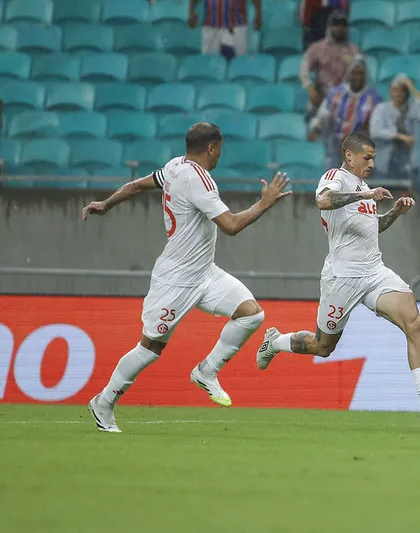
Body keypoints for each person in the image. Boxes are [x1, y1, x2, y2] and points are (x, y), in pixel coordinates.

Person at [82, 122, 291, 433]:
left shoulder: (175, 166)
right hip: (176, 279)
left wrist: (106, 203)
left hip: (204, 272)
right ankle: (103, 403)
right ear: (210, 148)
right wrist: (264, 203)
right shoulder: (200, 181)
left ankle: (206, 371)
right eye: (219, 148)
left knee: (250, 314)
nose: (221, 154)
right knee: (150, 348)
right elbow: (230, 226)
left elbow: (139, 184)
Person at [256, 132, 420, 421]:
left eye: (373, 157)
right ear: (349, 155)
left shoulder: (364, 187)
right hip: (341, 277)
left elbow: (372, 228)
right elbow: (323, 201)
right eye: (367, 157)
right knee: (323, 346)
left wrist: (394, 213)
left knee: (415, 322)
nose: (372, 162)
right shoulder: (334, 176)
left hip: (374, 273)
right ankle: (275, 342)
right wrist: (365, 195)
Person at [308, 57, 382, 169]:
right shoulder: (336, 93)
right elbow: (324, 114)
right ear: (349, 75)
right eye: (354, 73)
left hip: (361, 147)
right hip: (336, 144)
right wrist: (316, 128)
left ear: (365, 76)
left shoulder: (374, 97)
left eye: (361, 74)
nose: (357, 77)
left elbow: (377, 123)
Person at [369, 74, 420, 182]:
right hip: (385, 164)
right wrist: (399, 136)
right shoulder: (382, 109)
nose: (398, 94)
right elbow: (375, 131)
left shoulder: (413, 110)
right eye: (395, 90)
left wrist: (412, 88)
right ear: (390, 91)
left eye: (402, 90)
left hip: (407, 164)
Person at [300, 10, 361, 114]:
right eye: (336, 25)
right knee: (311, 111)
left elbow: (361, 73)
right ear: (329, 27)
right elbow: (304, 69)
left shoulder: (354, 51)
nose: (339, 28)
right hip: (321, 96)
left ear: (347, 29)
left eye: (343, 25)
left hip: (346, 98)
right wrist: (310, 89)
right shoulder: (317, 48)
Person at [189, 0, 261, 58]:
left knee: (240, 60)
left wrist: (258, 14)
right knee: (209, 61)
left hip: (237, 24)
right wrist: (191, 11)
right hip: (211, 24)